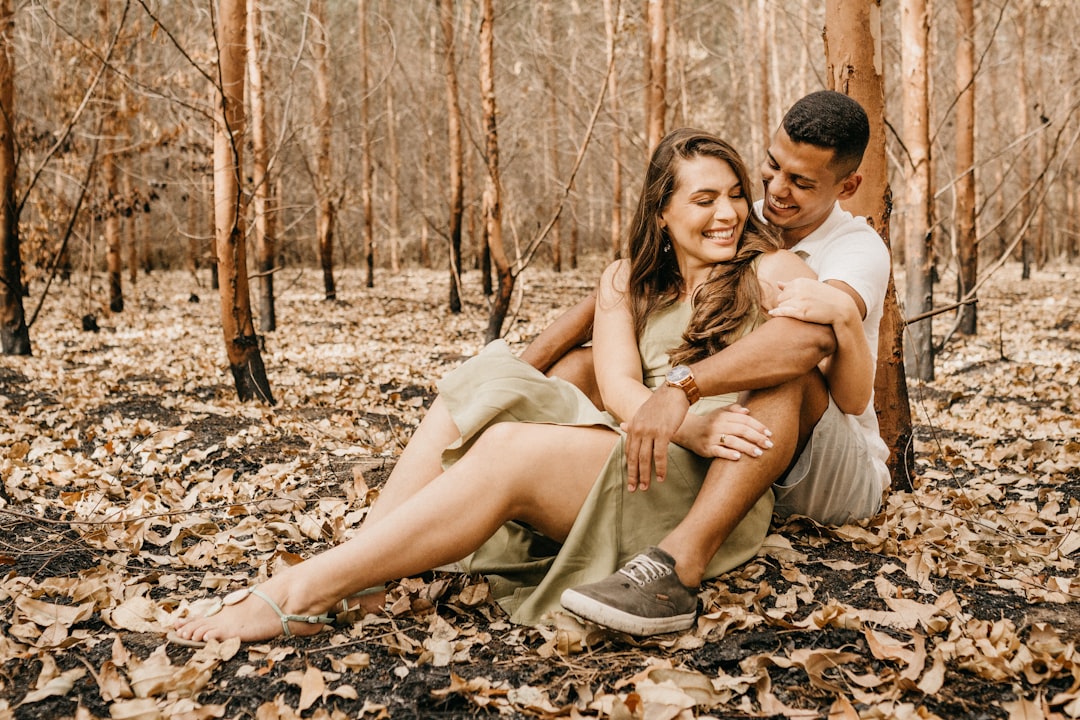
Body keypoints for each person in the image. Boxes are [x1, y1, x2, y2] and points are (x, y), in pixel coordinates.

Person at [170, 129, 848, 644]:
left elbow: (809, 342)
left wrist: (689, 400)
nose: (729, 213)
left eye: (734, 194)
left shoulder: (771, 267)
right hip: (639, 451)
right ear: (662, 213)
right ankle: (363, 567)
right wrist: (676, 417)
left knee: (511, 450)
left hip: (702, 485)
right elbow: (615, 387)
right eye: (704, 199)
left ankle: (301, 591)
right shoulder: (626, 282)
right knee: (485, 374)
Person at [558, 90, 892, 636]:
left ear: (847, 186)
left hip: (828, 468)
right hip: (749, 448)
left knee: (786, 365)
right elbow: (620, 290)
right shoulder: (744, 211)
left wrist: (681, 390)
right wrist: (515, 369)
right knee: (582, 366)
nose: (776, 191)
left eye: (802, 182)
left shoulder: (857, 251)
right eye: (772, 165)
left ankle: (678, 568)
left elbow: (807, 353)